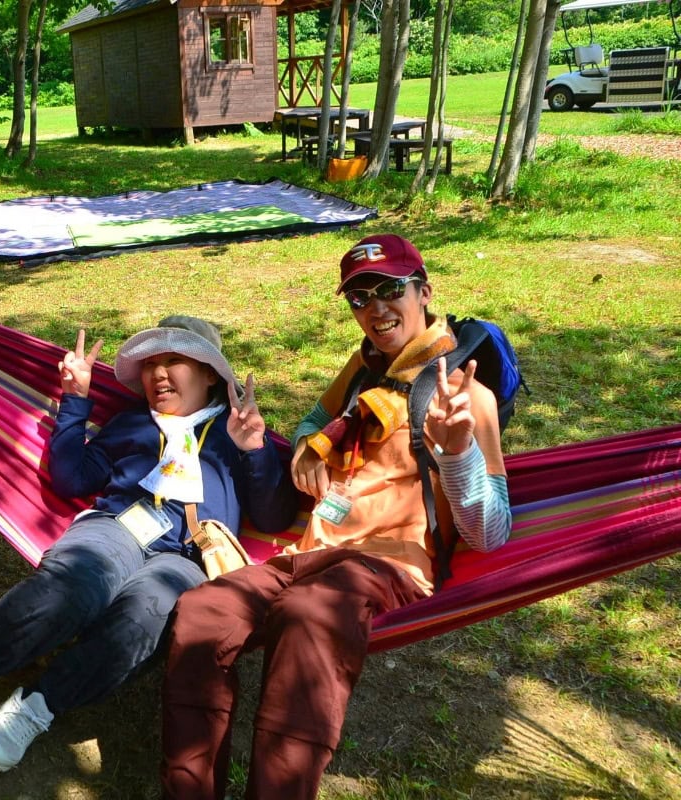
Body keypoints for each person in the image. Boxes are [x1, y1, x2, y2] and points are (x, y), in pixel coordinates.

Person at [160, 234, 512, 800]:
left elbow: (491, 532)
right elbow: (312, 420)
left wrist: (459, 454)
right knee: (203, 608)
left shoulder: (467, 399)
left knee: (307, 616)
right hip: (306, 554)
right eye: (359, 297)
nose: (374, 308)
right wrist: (306, 448)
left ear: (424, 292)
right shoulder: (365, 369)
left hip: (388, 564)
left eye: (390, 289)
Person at [0, 317, 298, 772]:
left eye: (174, 360)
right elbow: (72, 475)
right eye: (151, 363)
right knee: (72, 586)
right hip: (116, 527)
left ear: (210, 373)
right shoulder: (132, 423)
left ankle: (35, 708)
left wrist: (254, 450)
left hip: (186, 555)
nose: (158, 373)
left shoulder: (237, 432)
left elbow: (273, 517)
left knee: (146, 618)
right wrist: (75, 400)